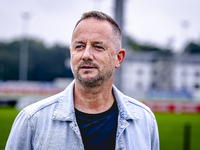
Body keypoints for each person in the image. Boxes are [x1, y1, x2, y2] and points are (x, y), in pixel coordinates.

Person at [6, 11, 159, 150]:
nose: (86, 55)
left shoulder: (145, 121)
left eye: (98, 47)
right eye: (79, 46)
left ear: (118, 58)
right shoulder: (32, 121)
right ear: (71, 53)